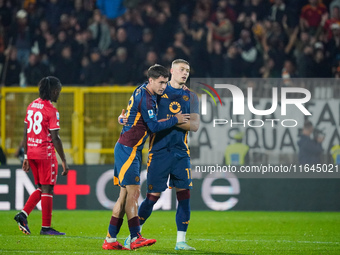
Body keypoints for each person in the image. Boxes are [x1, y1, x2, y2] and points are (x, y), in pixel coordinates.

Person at [102, 64, 190, 250]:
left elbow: (130, 112)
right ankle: (135, 237)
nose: (163, 87)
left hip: (129, 148)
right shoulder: (147, 98)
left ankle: (110, 240)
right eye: (160, 83)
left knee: (124, 196)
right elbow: (154, 127)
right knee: (133, 194)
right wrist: (176, 119)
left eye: (165, 83)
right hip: (128, 150)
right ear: (151, 80)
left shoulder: (143, 90)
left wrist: (122, 117)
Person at [121, 59, 200, 250]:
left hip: (181, 152)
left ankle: (181, 242)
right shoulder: (158, 93)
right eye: (181, 69)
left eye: (187, 71)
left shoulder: (192, 97)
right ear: (171, 70)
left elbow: (194, 125)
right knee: (153, 196)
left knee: (185, 194)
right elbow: (148, 120)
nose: (185, 73)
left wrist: (168, 121)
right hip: (159, 151)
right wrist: (176, 119)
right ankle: (134, 235)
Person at [14, 76, 69, 235]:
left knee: (41, 188)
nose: (58, 94)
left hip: (31, 152)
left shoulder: (31, 106)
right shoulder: (51, 111)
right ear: (53, 91)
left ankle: (23, 215)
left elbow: (25, 133)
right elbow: (55, 138)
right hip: (45, 153)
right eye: (58, 91)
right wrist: (64, 161)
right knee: (48, 188)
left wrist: (25, 156)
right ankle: (45, 227)